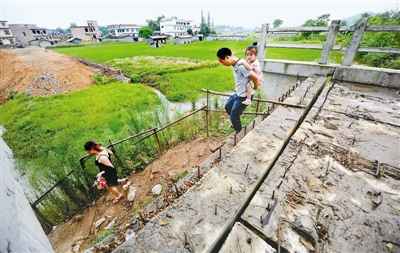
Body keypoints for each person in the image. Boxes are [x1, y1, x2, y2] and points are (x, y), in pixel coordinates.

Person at [217, 47, 261, 133]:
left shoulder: (241, 66)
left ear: (227, 58)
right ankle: (236, 120)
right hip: (238, 93)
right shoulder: (235, 62)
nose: (223, 64)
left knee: (233, 115)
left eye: (223, 62)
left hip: (244, 96)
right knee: (228, 107)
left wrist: (255, 88)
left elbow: (255, 78)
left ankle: (239, 132)